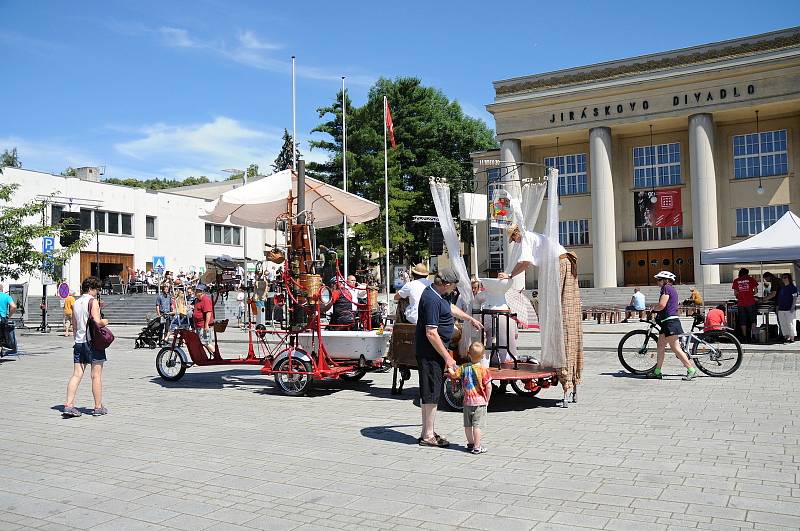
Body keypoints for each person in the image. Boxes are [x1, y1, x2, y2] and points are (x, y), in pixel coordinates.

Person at [500, 224, 583, 405]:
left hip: (559, 265)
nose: (514, 242)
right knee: (565, 319)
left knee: (563, 325)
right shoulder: (535, 237)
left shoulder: (527, 238)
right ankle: (571, 385)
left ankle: (568, 384)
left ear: (516, 234)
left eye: (513, 239)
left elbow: (525, 263)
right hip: (564, 263)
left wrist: (509, 275)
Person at [415, 268, 483, 448]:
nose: (454, 289)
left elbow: (450, 308)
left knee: (431, 392)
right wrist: (448, 358)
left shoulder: (439, 294)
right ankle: (428, 436)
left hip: (434, 352)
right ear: (445, 284)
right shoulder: (430, 299)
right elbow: (431, 333)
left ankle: (426, 432)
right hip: (429, 353)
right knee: (431, 393)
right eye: (453, 286)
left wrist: (469, 318)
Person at [63, 276, 108, 417]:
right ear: (90, 289)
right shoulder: (92, 301)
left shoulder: (76, 302)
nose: (97, 292)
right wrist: (105, 321)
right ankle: (98, 407)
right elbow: (97, 322)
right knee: (96, 376)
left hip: (79, 342)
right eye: (96, 289)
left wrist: (77, 339)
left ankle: (69, 405)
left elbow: (75, 326)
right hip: (93, 343)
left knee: (76, 374)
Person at [646, 271, 697, 381]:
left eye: (659, 279)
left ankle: (691, 370)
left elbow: (662, 305)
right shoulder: (669, 288)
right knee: (660, 346)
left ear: (666, 280)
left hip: (670, 322)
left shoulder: (667, 288)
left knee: (675, 348)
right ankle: (657, 371)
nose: (657, 281)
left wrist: (653, 309)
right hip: (666, 322)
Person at [448, 341, 491, 454]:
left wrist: (449, 368)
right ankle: (477, 447)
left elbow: (453, 375)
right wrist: (487, 399)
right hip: (479, 402)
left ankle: (470, 443)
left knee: (468, 425)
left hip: (467, 402)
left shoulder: (463, 368)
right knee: (477, 426)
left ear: (468, 354)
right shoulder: (484, 370)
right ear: (483, 356)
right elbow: (489, 387)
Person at [732, 268, 758, 342]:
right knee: (753, 320)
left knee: (743, 321)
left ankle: (744, 337)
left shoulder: (736, 281)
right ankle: (753, 336)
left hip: (741, 303)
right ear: (747, 273)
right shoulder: (751, 279)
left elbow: (735, 294)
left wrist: (740, 296)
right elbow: (756, 291)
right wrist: (750, 294)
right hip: (751, 303)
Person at [193, 284, 215, 358]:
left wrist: (206, 325)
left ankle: (215, 355)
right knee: (202, 342)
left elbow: (208, 313)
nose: (195, 292)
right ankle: (205, 357)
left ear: (202, 292)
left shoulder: (205, 299)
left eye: (197, 291)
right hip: (198, 325)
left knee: (206, 342)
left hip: (203, 325)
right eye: (196, 290)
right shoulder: (197, 300)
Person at [777, 273, 797, 343]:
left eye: (785, 277)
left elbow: (795, 298)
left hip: (789, 309)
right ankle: (786, 337)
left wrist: (792, 307)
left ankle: (792, 338)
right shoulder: (782, 288)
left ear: (789, 278)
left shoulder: (793, 287)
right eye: (783, 277)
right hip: (781, 309)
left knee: (790, 323)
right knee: (783, 323)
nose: (784, 279)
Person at [0, 283, 18, 355]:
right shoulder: (6, 296)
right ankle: (4, 348)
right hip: (2, 319)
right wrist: (9, 316)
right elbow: (13, 307)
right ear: (2, 289)